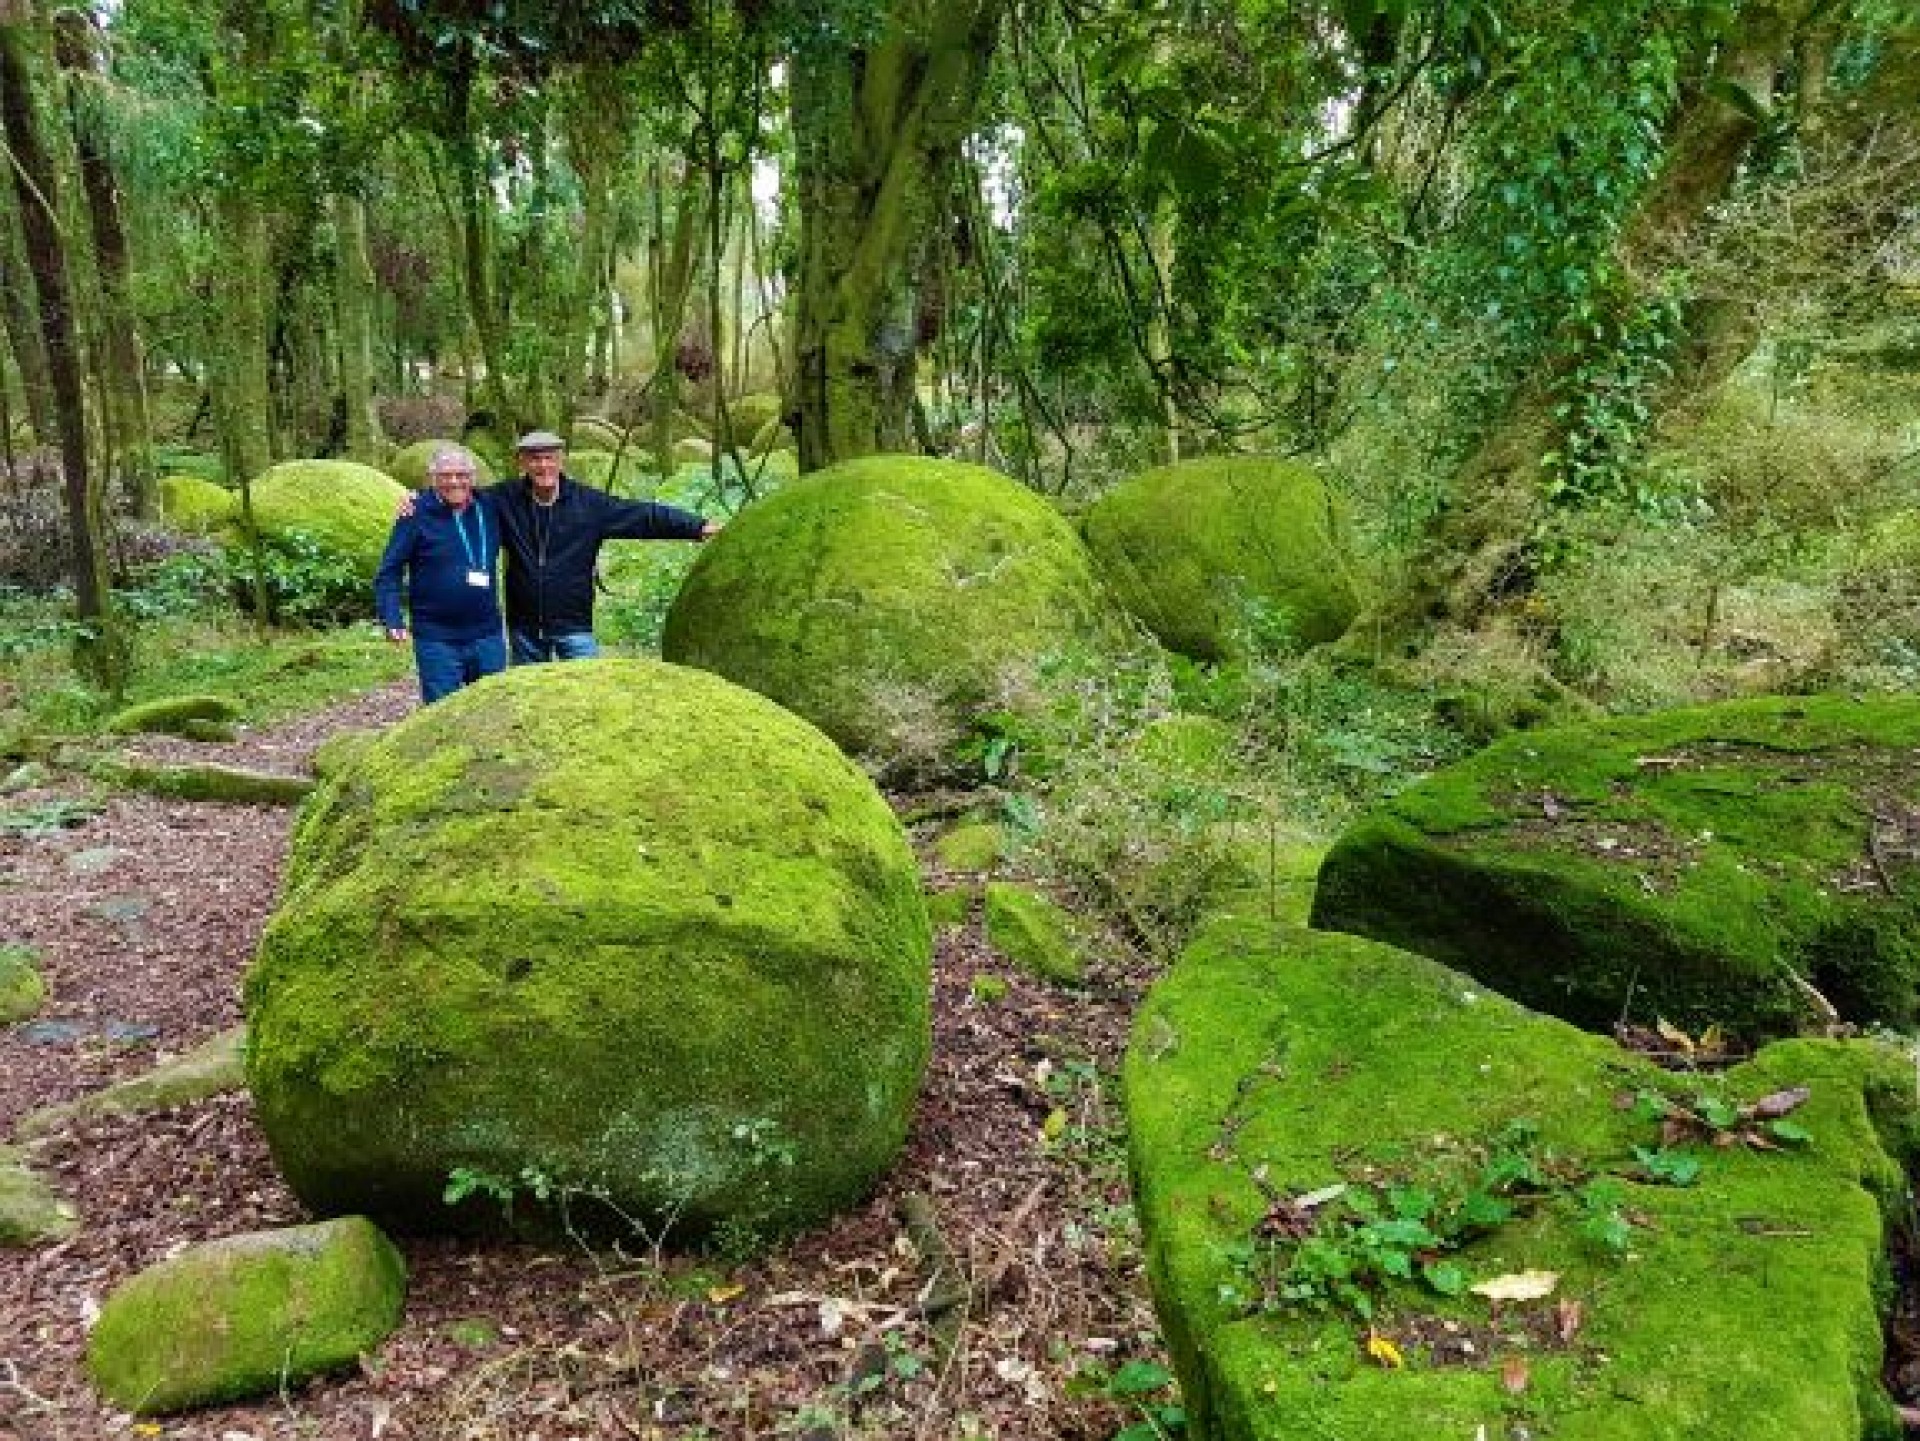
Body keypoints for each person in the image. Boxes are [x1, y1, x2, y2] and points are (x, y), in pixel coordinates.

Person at [416, 429, 719, 663]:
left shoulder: (589, 504)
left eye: (549, 457)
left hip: (574, 626)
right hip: (524, 629)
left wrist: (696, 526)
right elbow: (457, 494)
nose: (543, 465)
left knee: (585, 701)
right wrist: (418, 501)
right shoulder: (503, 500)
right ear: (522, 463)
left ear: (561, 461)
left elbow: (643, 516)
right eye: (534, 458)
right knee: (528, 705)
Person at [373, 444, 506, 703]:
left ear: (473, 477)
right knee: (442, 714)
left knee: (492, 711)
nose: (454, 482)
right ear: (433, 479)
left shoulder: (490, 506)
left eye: (461, 475)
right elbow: (389, 571)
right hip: (437, 640)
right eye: (445, 476)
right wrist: (392, 618)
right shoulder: (415, 513)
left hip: (487, 634)